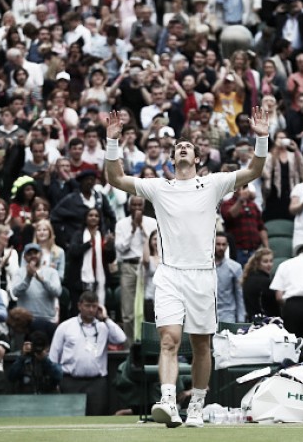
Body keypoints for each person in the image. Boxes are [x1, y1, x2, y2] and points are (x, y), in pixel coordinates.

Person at [104, 106, 269, 428]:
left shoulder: (214, 183)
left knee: (201, 344)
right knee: (168, 339)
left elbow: (254, 172)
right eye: (178, 147)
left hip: (202, 275)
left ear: (196, 159)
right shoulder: (158, 187)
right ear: (171, 159)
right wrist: (112, 143)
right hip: (168, 273)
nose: (182, 148)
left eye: (188, 147)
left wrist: (261, 137)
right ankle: (167, 400)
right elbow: (115, 178)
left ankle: (196, 404)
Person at [49, 291, 126, 416]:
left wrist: (105, 318)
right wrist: (56, 382)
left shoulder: (103, 327)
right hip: (70, 381)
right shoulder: (66, 326)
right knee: (70, 419)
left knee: (97, 418)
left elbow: (121, 338)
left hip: (96, 383)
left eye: (94, 306)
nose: (91, 310)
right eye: (87, 306)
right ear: (79, 306)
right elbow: (53, 357)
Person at [114, 195, 157, 342]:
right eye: (134, 205)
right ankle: (131, 347)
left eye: (140, 205)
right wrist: (133, 230)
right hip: (128, 266)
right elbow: (120, 248)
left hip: (148, 267)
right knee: (128, 311)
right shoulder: (121, 224)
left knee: (147, 307)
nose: (137, 209)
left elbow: (156, 244)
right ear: (129, 207)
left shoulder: (152, 222)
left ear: (144, 207)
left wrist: (142, 228)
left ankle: (148, 343)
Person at [11, 243, 62, 323]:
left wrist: (43, 281)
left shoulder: (52, 272)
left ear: (41, 254)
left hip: (46, 318)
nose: (33, 256)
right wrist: (28, 277)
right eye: (29, 254)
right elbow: (15, 293)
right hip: (25, 319)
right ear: (24, 257)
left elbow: (57, 292)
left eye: (35, 253)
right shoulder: (19, 272)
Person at [8, 330, 63, 394]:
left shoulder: (51, 359)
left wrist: (45, 360)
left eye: (41, 345)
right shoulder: (23, 360)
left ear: (47, 347)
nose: (38, 348)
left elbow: (59, 377)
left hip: (47, 399)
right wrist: (22, 357)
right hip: (27, 399)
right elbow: (11, 377)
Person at [214, 233, 245, 323]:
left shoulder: (235, 267)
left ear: (227, 246)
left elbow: (239, 294)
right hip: (207, 313)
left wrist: (241, 319)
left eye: (224, 244)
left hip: (227, 314)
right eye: (218, 244)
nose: (221, 248)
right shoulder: (204, 267)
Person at [241, 247, 279, 319]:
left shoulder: (248, 278)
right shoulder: (265, 282)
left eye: (271, 261)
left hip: (251, 321)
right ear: (257, 263)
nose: (269, 264)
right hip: (265, 323)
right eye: (265, 261)